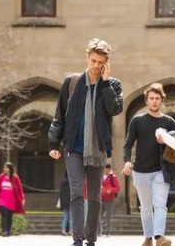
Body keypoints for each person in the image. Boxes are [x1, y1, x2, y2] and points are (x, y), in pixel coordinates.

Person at [48, 38, 123, 246]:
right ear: (86, 58)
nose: (97, 66)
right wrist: (54, 144)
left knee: (95, 196)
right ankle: (78, 239)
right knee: (76, 193)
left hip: (97, 149)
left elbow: (115, 109)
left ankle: (91, 239)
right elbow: (59, 115)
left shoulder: (113, 84)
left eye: (101, 62)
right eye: (93, 60)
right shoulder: (72, 82)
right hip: (74, 147)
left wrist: (106, 82)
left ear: (106, 62)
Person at [122, 83, 175, 246]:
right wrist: (126, 161)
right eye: (151, 98)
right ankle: (148, 237)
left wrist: (166, 140)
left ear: (162, 100)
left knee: (160, 204)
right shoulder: (137, 121)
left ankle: (159, 236)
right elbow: (128, 144)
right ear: (146, 101)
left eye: (157, 98)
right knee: (146, 207)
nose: (154, 101)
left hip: (161, 170)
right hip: (140, 171)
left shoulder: (169, 122)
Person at [100, 163, 120, 237]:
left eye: (107, 169)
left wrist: (111, 190)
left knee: (108, 216)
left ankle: (108, 232)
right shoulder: (101, 176)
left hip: (109, 199)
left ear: (109, 169)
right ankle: (99, 231)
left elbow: (117, 188)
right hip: (101, 198)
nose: (106, 171)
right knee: (98, 215)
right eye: (105, 169)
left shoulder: (113, 177)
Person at [60, 172, 71, 236]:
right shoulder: (71, 181)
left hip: (64, 201)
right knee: (71, 217)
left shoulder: (62, 182)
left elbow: (61, 193)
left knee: (65, 216)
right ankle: (70, 230)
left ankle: (63, 230)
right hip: (70, 201)